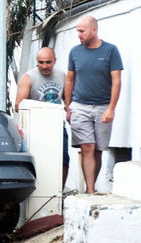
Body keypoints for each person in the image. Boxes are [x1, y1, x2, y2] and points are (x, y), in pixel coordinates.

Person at [64, 15, 123, 194]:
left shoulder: (111, 51)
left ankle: (92, 185)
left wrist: (111, 108)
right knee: (87, 146)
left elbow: (117, 80)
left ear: (94, 30)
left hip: (103, 106)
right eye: (77, 31)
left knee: (98, 150)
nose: (79, 35)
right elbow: (69, 80)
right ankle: (90, 191)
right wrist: (68, 106)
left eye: (81, 31)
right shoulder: (75, 52)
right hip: (80, 106)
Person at [15, 47, 69, 188]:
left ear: (55, 61)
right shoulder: (28, 77)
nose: (44, 66)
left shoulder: (62, 76)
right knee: (39, 160)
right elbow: (19, 106)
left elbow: (68, 100)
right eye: (41, 62)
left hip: (57, 124)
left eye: (48, 62)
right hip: (36, 126)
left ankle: (59, 192)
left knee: (63, 159)